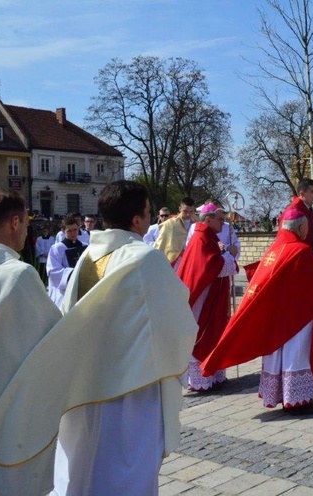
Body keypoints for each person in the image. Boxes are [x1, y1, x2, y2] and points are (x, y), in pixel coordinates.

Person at [50, 180, 197, 493]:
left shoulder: (86, 259)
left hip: (86, 384)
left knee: (86, 464)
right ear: (137, 220)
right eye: (147, 211)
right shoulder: (145, 259)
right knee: (128, 470)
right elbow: (178, 323)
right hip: (133, 390)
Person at [0, 191, 62, 495]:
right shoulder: (18, 275)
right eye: (25, 224)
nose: (26, 231)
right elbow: (55, 343)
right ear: (14, 222)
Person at [201, 209, 313, 414]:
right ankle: (298, 401)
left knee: (279, 355)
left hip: (277, 316)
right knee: (296, 354)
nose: (308, 230)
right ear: (299, 227)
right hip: (298, 318)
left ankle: (283, 395)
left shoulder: (275, 250)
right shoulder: (301, 251)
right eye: (306, 226)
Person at [177, 203, 237, 392]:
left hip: (212, 296)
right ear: (208, 220)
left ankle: (213, 374)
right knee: (202, 334)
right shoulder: (201, 238)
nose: (223, 222)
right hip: (202, 299)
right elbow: (211, 265)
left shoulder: (209, 236)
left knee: (215, 332)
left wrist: (226, 253)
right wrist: (228, 256)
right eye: (220, 219)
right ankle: (200, 379)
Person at [46, 215, 86, 309]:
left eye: (75, 230)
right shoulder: (57, 248)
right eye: (69, 231)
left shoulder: (85, 247)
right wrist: (74, 274)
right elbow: (53, 271)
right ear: (63, 231)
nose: (73, 233)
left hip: (82, 288)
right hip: (64, 292)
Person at [154, 197, 197, 267]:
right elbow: (160, 244)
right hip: (174, 263)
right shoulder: (170, 224)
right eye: (185, 211)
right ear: (180, 208)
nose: (188, 215)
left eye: (191, 212)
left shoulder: (197, 224)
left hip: (191, 261)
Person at [280, 179, 313, 251]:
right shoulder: (292, 212)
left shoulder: (308, 209)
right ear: (302, 193)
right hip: (299, 256)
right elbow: (287, 239)